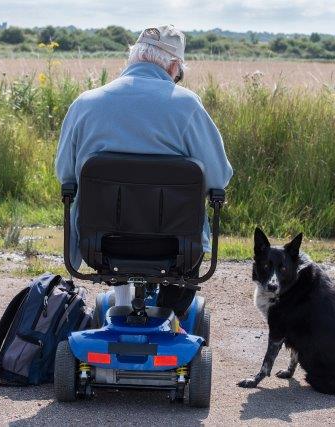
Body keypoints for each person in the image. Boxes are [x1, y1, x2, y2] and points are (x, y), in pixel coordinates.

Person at [54, 25, 233, 315]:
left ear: (132, 58)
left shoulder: (84, 104)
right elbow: (218, 178)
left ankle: (122, 304)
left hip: (100, 246)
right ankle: (169, 316)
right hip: (176, 250)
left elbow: (65, 176)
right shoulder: (187, 106)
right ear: (174, 66)